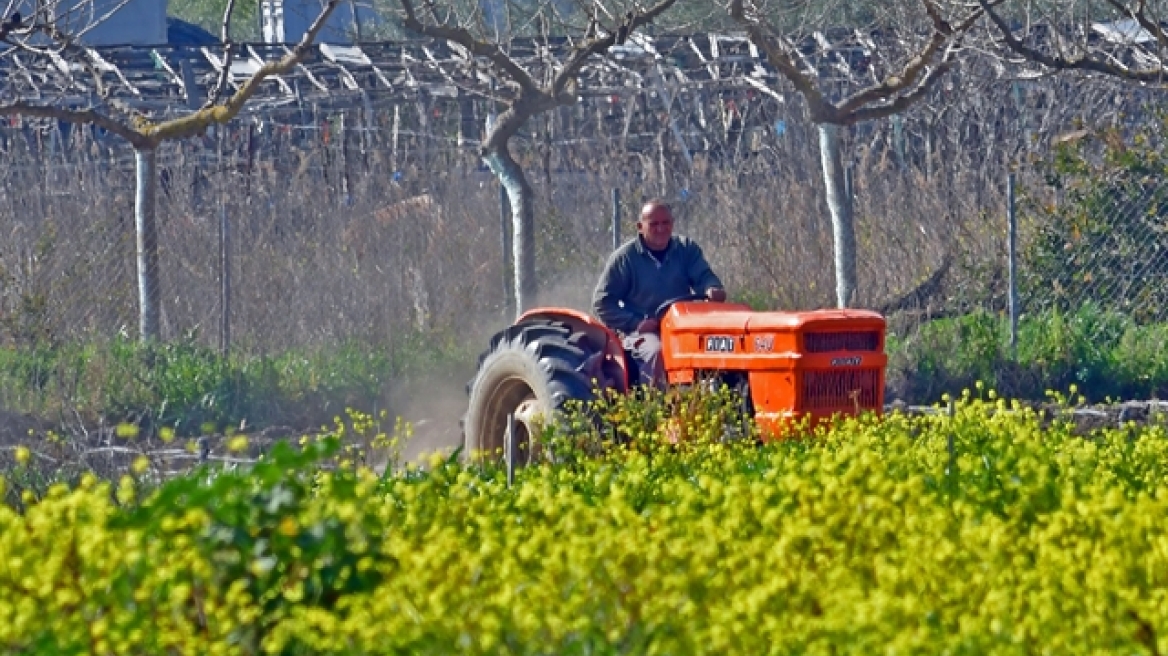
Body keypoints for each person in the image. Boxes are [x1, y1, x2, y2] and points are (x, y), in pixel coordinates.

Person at [592, 199, 727, 388]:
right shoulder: (625, 258)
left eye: (666, 223)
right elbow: (602, 303)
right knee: (658, 351)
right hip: (643, 331)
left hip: (680, 325)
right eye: (653, 224)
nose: (661, 229)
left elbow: (704, 277)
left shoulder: (686, 249)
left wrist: (712, 288)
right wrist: (636, 323)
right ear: (640, 227)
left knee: (719, 345)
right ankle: (656, 407)